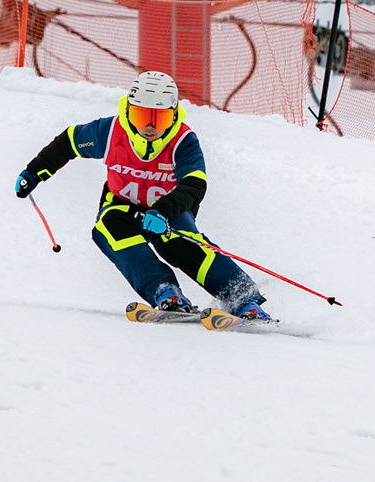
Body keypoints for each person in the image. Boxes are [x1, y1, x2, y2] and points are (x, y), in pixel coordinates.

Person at [15, 70, 272, 320]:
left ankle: (243, 298)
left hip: (167, 211)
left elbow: (194, 184)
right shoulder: (111, 132)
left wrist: (163, 210)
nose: (149, 126)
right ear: (128, 110)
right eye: (140, 116)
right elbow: (68, 142)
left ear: (172, 115)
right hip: (121, 207)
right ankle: (164, 291)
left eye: (158, 119)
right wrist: (34, 173)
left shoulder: (183, 141)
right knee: (107, 229)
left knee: (181, 247)